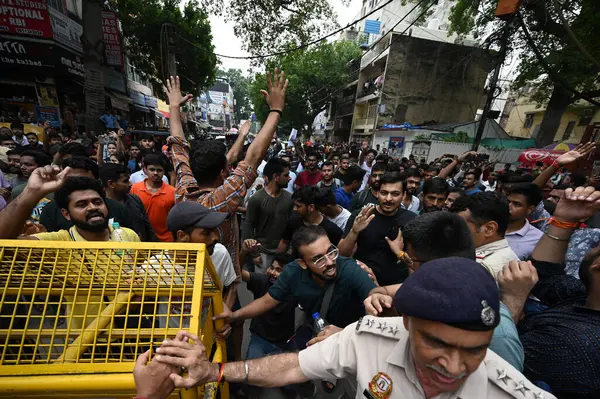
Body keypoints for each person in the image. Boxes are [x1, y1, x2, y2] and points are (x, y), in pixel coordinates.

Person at [148, 257, 553, 399]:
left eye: (475, 349)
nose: (455, 365)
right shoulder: (368, 337)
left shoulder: (511, 393)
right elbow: (293, 367)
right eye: (437, 343)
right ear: (406, 322)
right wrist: (215, 371)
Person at [362, 211, 529, 372]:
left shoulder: (499, 336)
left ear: (433, 266)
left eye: (411, 262)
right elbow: (380, 291)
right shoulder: (432, 290)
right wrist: (378, 298)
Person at [166, 72, 287, 278]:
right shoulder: (219, 201)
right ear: (223, 172)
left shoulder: (184, 189)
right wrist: (276, 110)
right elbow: (252, 159)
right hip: (218, 284)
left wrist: (174, 108)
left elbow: (178, 147)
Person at [215, 226, 385, 344]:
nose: (329, 262)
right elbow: (267, 301)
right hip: (317, 326)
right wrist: (235, 315)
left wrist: (346, 334)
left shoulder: (351, 270)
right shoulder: (293, 272)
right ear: (303, 264)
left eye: (331, 252)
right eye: (318, 259)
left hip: (354, 333)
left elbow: (381, 311)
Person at [519, 186, 600, 398]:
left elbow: (501, 361)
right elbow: (546, 275)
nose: (590, 248)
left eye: (597, 246)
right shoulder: (583, 297)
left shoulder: (570, 343)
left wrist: (514, 297)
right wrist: (564, 221)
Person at [339, 173, 417, 285]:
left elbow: (416, 264)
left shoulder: (412, 220)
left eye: (395, 194)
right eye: (384, 193)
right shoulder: (361, 215)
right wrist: (354, 232)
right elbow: (342, 254)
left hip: (394, 286)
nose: (388, 199)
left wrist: (399, 253)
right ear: (377, 193)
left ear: (403, 195)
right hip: (361, 280)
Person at [238, 240, 297, 359]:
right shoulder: (262, 281)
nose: (273, 273)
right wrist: (244, 252)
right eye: (271, 268)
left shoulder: (295, 290)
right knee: (252, 373)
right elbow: (237, 272)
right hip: (259, 339)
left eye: (279, 270)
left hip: (284, 343)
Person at [451, 192, 518, 280]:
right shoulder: (503, 256)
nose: (453, 231)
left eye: (460, 225)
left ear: (489, 229)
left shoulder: (483, 268)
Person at [243, 157, 293, 271]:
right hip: (263, 253)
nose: (289, 178)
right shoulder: (257, 199)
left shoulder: (289, 198)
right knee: (262, 285)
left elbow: (291, 225)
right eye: (286, 175)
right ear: (276, 177)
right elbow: (249, 227)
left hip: (283, 253)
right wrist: (254, 253)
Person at [99, 163, 158, 242]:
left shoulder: (135, 200)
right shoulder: (101, 207)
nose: (130, 184)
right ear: (111, 184)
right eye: (125, 181)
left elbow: (148, 228)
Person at [277, 186, 343, 252]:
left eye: (298, 206)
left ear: (311, 207)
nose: (294, 209)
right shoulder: (293, 222)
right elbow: (284, 242)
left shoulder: (333, 231)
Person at [130, 154, 176, 242]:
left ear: (164, 171)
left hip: (166, 241)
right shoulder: (134, 189)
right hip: (142, 240)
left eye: (159, 170)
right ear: (145, 170)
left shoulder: (172, 192)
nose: (155, 173)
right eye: (152, 169)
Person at [504, 183, 544, 260]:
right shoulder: (489, 225)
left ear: (529, 209)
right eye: (507, 201)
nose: (509, 206)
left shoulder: (537, 239)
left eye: (517, 204)